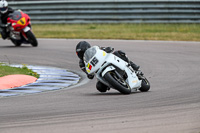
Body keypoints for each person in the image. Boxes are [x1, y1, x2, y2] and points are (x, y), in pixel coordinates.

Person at [76, 41, 141, 93]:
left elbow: (106, 50)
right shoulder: (82, 63)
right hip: (100, 72)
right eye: (80, 54)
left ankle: (133, 67)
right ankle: (115, 83)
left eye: (82, 52)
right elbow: (89, 74)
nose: (81, 55)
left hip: (107, 61)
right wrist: (89, 74)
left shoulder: (95, 50)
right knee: (100, 87)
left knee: (119, 53)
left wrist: (108, 49)